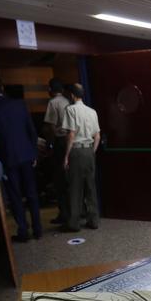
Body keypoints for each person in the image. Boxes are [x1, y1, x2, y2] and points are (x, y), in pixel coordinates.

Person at [0, 68, 42, 243]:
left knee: (15, 196)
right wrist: (34, 154)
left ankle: (23, 231)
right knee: (32, 193)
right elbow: (31, 131)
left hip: (8, 159)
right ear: (1, 86)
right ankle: (38, 230)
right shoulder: (20, 104)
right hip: (27, 156)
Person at [61, 83, 101, 232]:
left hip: (76, 152)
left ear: (72, 95)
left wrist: (66, 156)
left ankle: (74, 223)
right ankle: (93, 220)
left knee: (76, 188)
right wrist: (92, 151)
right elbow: (97, 136)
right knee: (91, 187)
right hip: (89, 151)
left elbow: (71, 134)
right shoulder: (92, 111)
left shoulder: (70, 110)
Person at [42, 78, 70, 225]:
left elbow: (52, 127)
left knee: (59, 181)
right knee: (70, 179)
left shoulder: (53, 103)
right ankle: (76, 210)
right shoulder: (68, 101)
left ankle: (64, 214)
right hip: (71, 142)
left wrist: (49, 145)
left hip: (60, 143)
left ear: (51, 90)